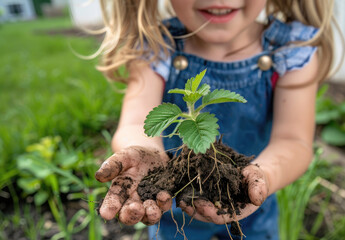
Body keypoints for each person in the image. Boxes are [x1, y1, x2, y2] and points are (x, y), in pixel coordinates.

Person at [94, 0, 336, 239]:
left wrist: (265, 177)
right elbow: (138, 123)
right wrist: (144, 149)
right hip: (171, 204)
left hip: (250, 204)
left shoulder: (291, 50)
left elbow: (293, 140)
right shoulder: (155, 47)